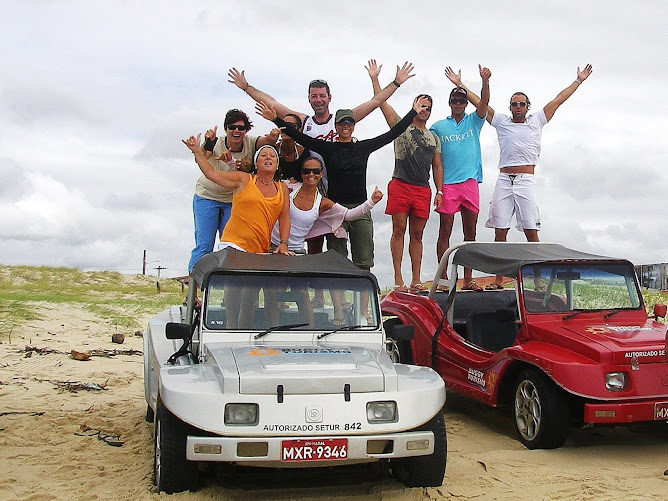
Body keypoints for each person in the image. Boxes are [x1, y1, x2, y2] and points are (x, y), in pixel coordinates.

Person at [258, 94, 431, 319]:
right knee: (336, 263)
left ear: (353, 125)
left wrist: (412, 112)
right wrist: (275, 121)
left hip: (360, 209)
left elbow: (392, 134)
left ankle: (364, 312)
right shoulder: (328, 148)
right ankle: (339, 312)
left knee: (363, 263)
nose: (346, 126)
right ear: (336, 126)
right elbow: (299, 136)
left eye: (350, 122)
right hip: (336, 212)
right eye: (342, 123)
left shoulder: (363, 147)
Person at [227, 63, 415, 258]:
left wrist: (396, 82)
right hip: (311, 188)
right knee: (313, 243)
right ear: (309, 98)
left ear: (329, 98)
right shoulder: (305, 122)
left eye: (322, 96)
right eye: (314, 96)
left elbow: (375, 102)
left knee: (347, 249)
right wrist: (246, 87)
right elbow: (274, 105)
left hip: (337, 191)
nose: (318, 100)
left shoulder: (342, 120)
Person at [448, 64, 593, 288]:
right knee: (500, 231)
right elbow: (481, 103)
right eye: (514, 104)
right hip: (504, 180)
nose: (518, 107)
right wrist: (461, 84)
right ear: (510, 107)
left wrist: (578, 81)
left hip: (525, 181)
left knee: (531, 231)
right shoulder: (501, 122)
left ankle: (537, 281)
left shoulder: (537, 120)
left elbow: (559, 99)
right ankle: (498, 280)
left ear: (527, 107)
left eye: (521, 104)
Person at [268, 157, 383, 325]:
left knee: (302, 295)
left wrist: (371, 202)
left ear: (322, 174)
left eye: (315, 171)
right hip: (274, 246)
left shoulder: (322, 202)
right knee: (272, 295)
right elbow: (269, 182)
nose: (311, 175)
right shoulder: (290, 188)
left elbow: (348, 215)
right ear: (301, 173)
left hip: (297, 251)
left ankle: (309, 331)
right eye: (307, 171)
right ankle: (272, 334)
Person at [366, 59, 443, 293]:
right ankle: (398, 279)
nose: (424, 109)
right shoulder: (400, 124)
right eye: (421, 105)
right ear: (414, 106)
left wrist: (439, 191)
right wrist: (375, 79)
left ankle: (416, 279)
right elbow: (381, 103)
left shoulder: (433, 137)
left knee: (417, 234)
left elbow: (437, 166)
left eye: (428, 107)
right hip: (400, 184)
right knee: (398, 230)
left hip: (422, 188)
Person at [187, 108, 279, 272]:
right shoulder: (215, 141)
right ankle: (192, 295)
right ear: (226, 129)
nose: (236, 130)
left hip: (233, 201)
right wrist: (202, 145)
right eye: (232, 127)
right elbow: (201, 157)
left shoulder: (251, 142)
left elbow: (268, 142)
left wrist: (273, 135)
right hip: (207, 196)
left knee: (231, 247)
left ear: (246, 130)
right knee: (204, 245)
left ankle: (226, 291)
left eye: (241, 128)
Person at [430, 64, 491, 292]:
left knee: (470, 233)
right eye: (455, 101)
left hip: (470, 183)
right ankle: (444, 278)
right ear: (450, 104)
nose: (458, 104)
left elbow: (484, 103)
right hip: (448, 184)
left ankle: (468, 278)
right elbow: (433, 156)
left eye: (461, 101)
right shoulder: (438, 126)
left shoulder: (474, 121)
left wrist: (484, 82)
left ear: (466, 104)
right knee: (444, 230)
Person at [276, 113, 310, 185]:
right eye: (282, 126)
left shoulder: (305, 152)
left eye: (290, 126)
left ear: (299, 130)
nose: (286, 129)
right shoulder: (272, 150)